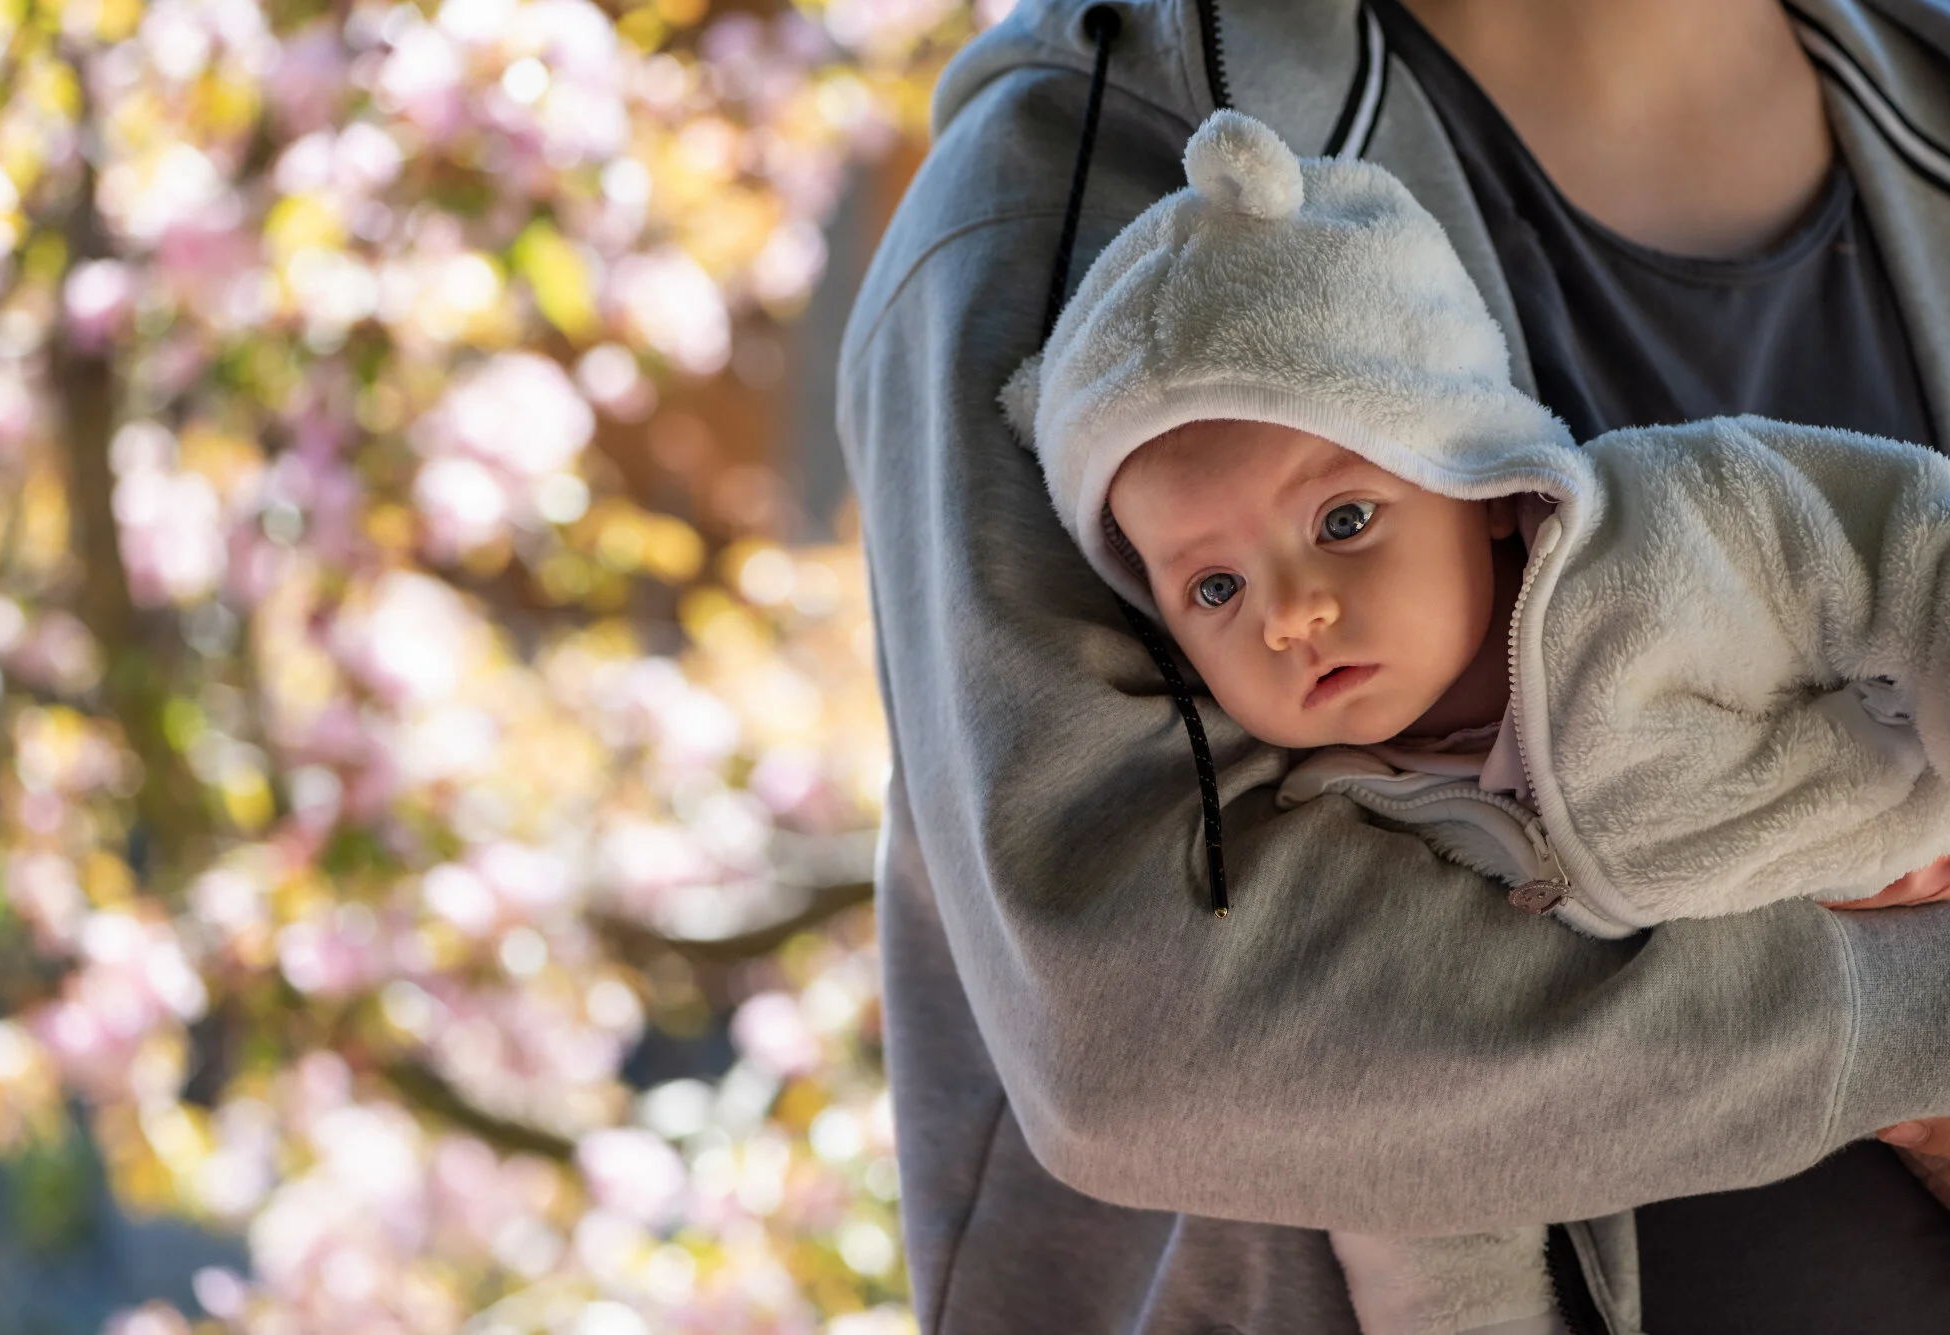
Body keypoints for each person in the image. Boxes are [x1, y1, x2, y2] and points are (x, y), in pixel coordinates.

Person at [836, 0, 1950, 1330]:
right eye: (1217, 585)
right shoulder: (1064, 207)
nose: (1293, 613)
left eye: (1345, 522)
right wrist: (1908, 1023)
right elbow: (1168, 1039)